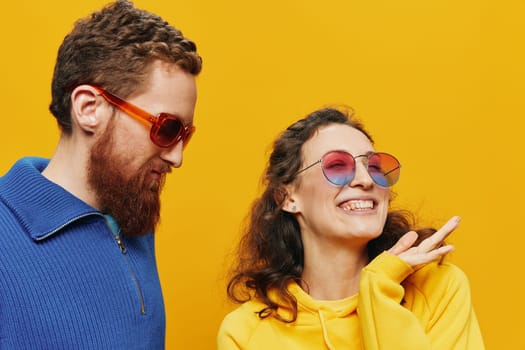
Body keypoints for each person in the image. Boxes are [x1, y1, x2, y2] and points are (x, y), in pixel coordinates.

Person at [0, 1, 201, 348]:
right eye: (166, 129)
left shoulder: (132, 216)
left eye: (185, 134)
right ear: (89, 108)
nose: (177, 156)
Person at [217, 107, 485, 349]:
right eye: (336, 166)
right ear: (286, 198)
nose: (365, 179)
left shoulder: (438, 288)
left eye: (374, 165)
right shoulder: (244, 334)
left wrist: (378, 287)